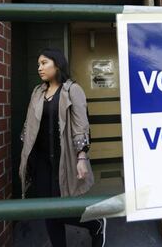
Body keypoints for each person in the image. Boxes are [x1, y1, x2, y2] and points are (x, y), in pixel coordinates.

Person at [18, 48, 105, 247]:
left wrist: (82, 156)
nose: (39, 68)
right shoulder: (37, 91)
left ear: (57, 64)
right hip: (41, 161)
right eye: (38, 64)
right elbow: (28, 124)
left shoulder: (72, 89)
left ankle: (95, 224)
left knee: (61, 208)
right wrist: (25, 155)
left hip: (62, 160)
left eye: (44, 63)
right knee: (48, 210)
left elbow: (81, 126)